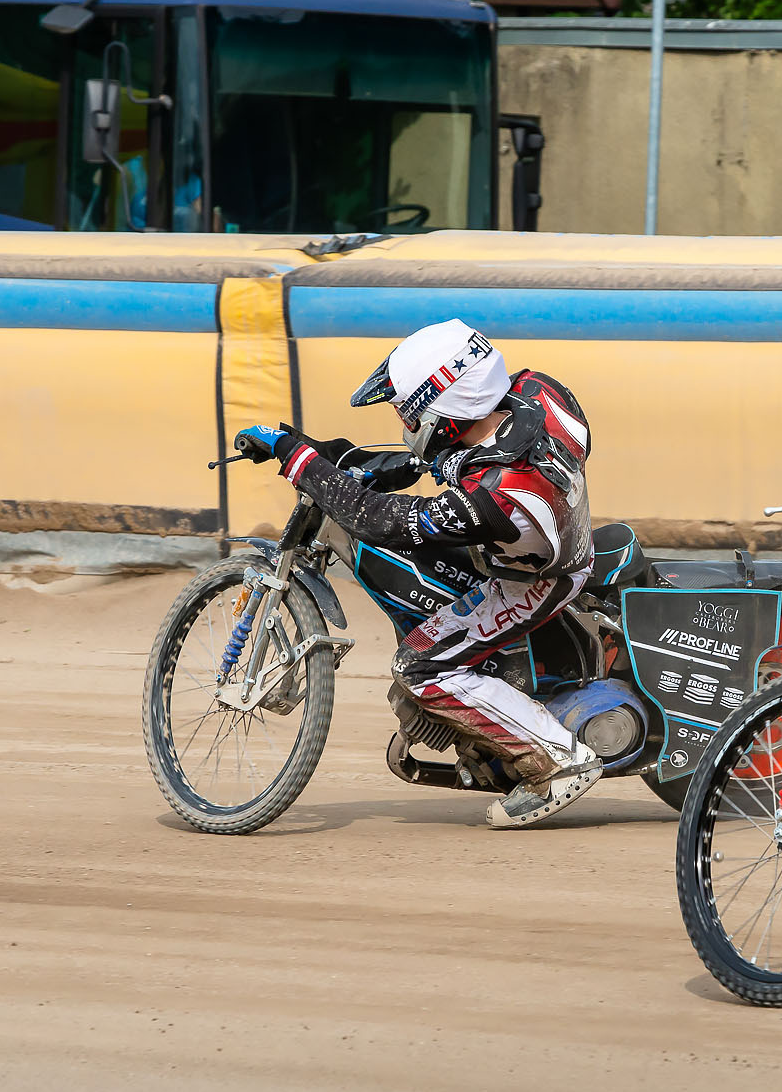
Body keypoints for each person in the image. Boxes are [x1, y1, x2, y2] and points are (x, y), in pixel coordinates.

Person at [232, 320, 604, 830]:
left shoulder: (494, 494)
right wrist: (317, 450)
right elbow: (436, 459)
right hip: (539, 535)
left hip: (535, 581)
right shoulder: (536, 392)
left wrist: (297, 460)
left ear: (442, 410)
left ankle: (558, 761)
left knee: (419, 665)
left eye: (405, 410)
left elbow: (379, 521)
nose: (401, 420)